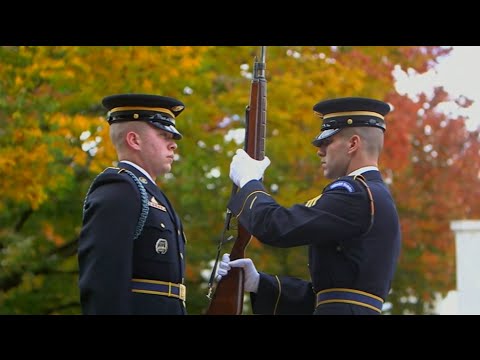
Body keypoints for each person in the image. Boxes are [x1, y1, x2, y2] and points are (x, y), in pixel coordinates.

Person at [217, 97, 402, 315]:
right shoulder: (373, 193)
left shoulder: (354, 193)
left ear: (353, 144)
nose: (320, 151)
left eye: (327, 142)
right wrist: (258, 283)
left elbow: (278, 226)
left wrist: (249, 182)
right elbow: (331, 295)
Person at [78, 93, 188, 315]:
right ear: (134, 140)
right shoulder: (120, 189)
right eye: (163, 135)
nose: (172, 145)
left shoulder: (148, 192)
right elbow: (103, 281)